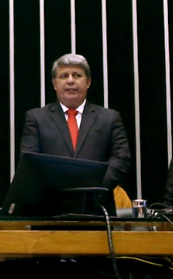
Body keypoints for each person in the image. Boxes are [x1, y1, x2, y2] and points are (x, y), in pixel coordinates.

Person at [18, 53, 132, 214]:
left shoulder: (109, 118)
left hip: (97, 208)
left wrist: (94, 188)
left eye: (77, 75)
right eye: (64, 76)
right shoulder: (36, 118)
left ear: (88, 82)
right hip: (50, 210)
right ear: (54, 83)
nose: (70, 80)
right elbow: (30, 161)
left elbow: (122, 159)